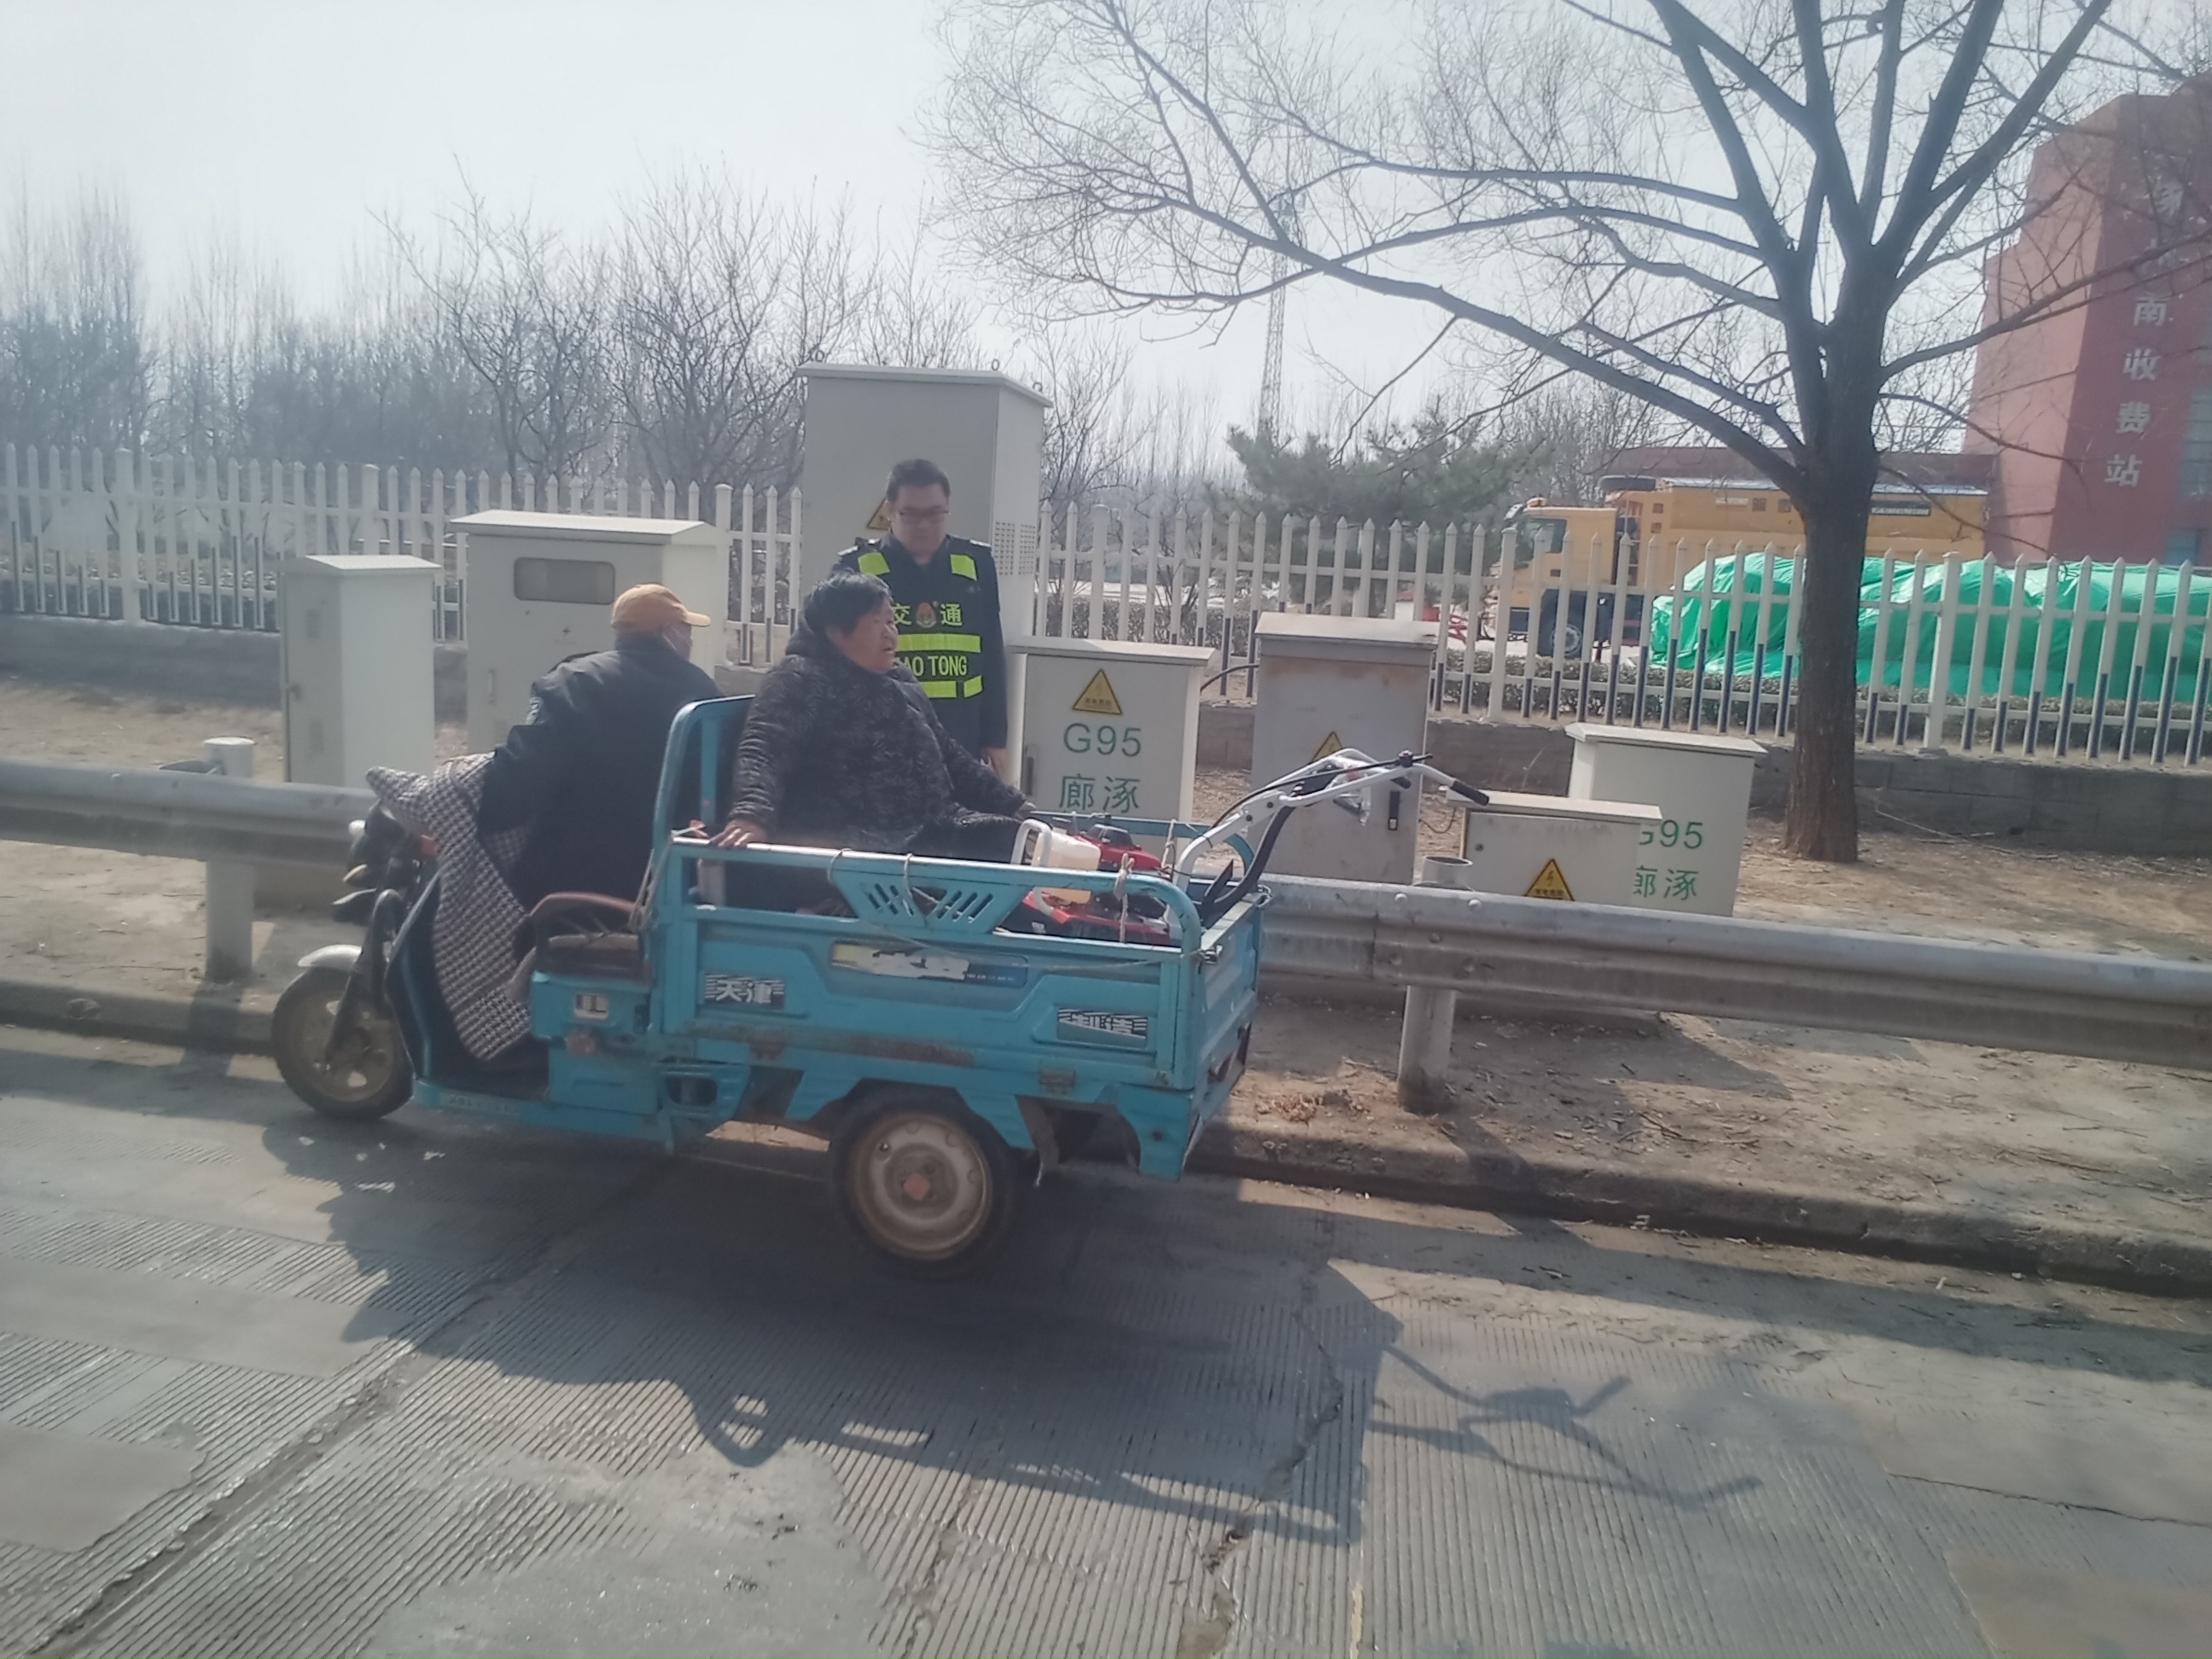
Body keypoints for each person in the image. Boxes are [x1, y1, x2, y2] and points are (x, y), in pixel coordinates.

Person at [714, 571, 1028, 859]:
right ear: (836, 631)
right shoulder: (799, 678)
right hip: (861, 844)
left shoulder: (900, 679)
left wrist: (1010, 804)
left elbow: (950, 755)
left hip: (932, 828)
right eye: (877, 622)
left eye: (892, 622)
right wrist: (751, 815)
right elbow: (764, 750)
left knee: (1023, 841)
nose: (890, 633)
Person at [477, 583, 722, 906]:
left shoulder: (572, 682)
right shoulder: (703, 691)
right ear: (668, 632)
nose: (689, 641)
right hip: (662, 886)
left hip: (568, 887)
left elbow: (516, 785)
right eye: (686, 631)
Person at [833, 458, 1009, 775]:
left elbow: (992, 650)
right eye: (911, 514)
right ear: (889, 510)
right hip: (885, 737)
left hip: (960, 734)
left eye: (935, 514)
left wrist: (994, 736)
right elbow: (833, 661)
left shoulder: (976, 565)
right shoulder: (856, 570)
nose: (925, 525)